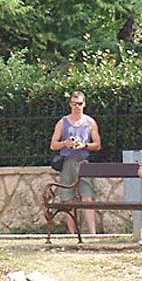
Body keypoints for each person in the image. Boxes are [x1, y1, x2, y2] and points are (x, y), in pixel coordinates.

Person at [50, 91, 102, 236]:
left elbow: (97, 145)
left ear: (84, 104)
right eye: (74, 104)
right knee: (67, 199)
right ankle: (72, 234)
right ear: (70, 105)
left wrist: (84, 145)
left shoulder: (90, 122)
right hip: (67, 162)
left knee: (87, 197)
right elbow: (53, 145)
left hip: (83, 163)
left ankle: (92, 233)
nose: (77, 107)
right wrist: (65, 144)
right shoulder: (63, 122)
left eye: (79, 103)